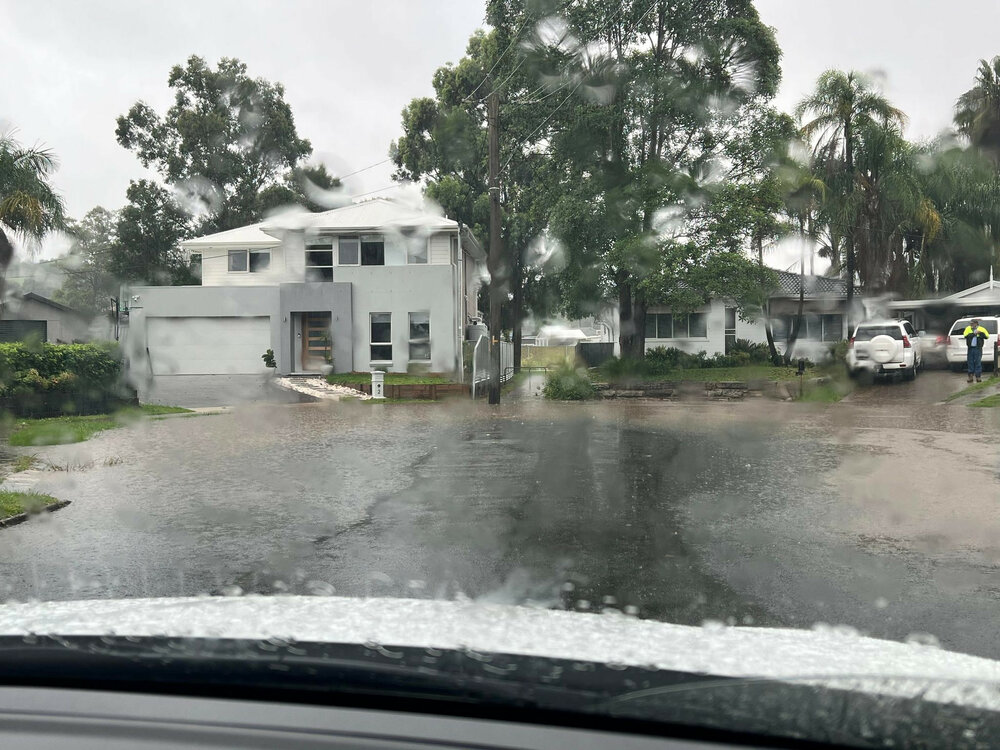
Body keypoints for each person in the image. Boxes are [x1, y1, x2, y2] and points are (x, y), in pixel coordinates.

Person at [963, 318, 989, 383]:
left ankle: (978, 376)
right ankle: (970, 376)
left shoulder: (982, 329)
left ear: (976, 323)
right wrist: (974, 333)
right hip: (970, 348)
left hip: (978, 348)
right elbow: (965, 335)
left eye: (973, 323)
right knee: (970, 362)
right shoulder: (968, 328)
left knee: (978, 362)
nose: (971, 325)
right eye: (971, 323)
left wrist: (980, 333)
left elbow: (987, 336)